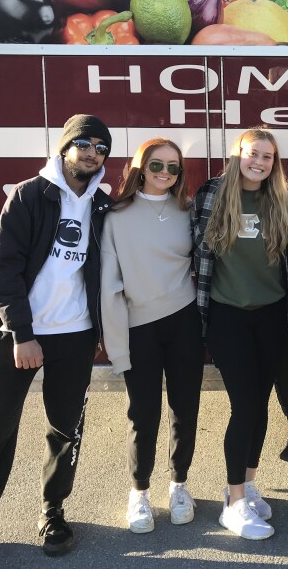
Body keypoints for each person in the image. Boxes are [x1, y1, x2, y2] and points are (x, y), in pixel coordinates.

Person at [0, 115, 113, 569]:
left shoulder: (104, 205)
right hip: (17, 337)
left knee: (64, 430)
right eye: (84, 144)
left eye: (101, 149)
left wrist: (102, 332)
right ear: (66, 147)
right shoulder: (30, 194)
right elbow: (1, 269)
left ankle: (53, 514)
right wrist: (22, 334)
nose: (91, 153)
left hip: (75, 336)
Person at [191, 128, 288, 540]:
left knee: (262, 405)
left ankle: (248, 483)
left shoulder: (281, 198)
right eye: (253, 154)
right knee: (244, 405)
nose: (260, 162)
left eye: (268, 157)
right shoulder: (212, 194)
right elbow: (194, 253)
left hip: (271, 314)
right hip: (228, 315)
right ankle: (232, 504)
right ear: (238, 155)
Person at [100, 138, 203, 534]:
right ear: (141, 167)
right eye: (157, 165)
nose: (165, 173)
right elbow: (109, 287)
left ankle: (180, 485)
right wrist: (117, 349)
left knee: (184, 409)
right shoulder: (116, 217)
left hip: (184, 321)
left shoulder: (188, 212)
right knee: (143, 414)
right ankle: (139, 492)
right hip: (138, 326)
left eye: (174, 168)